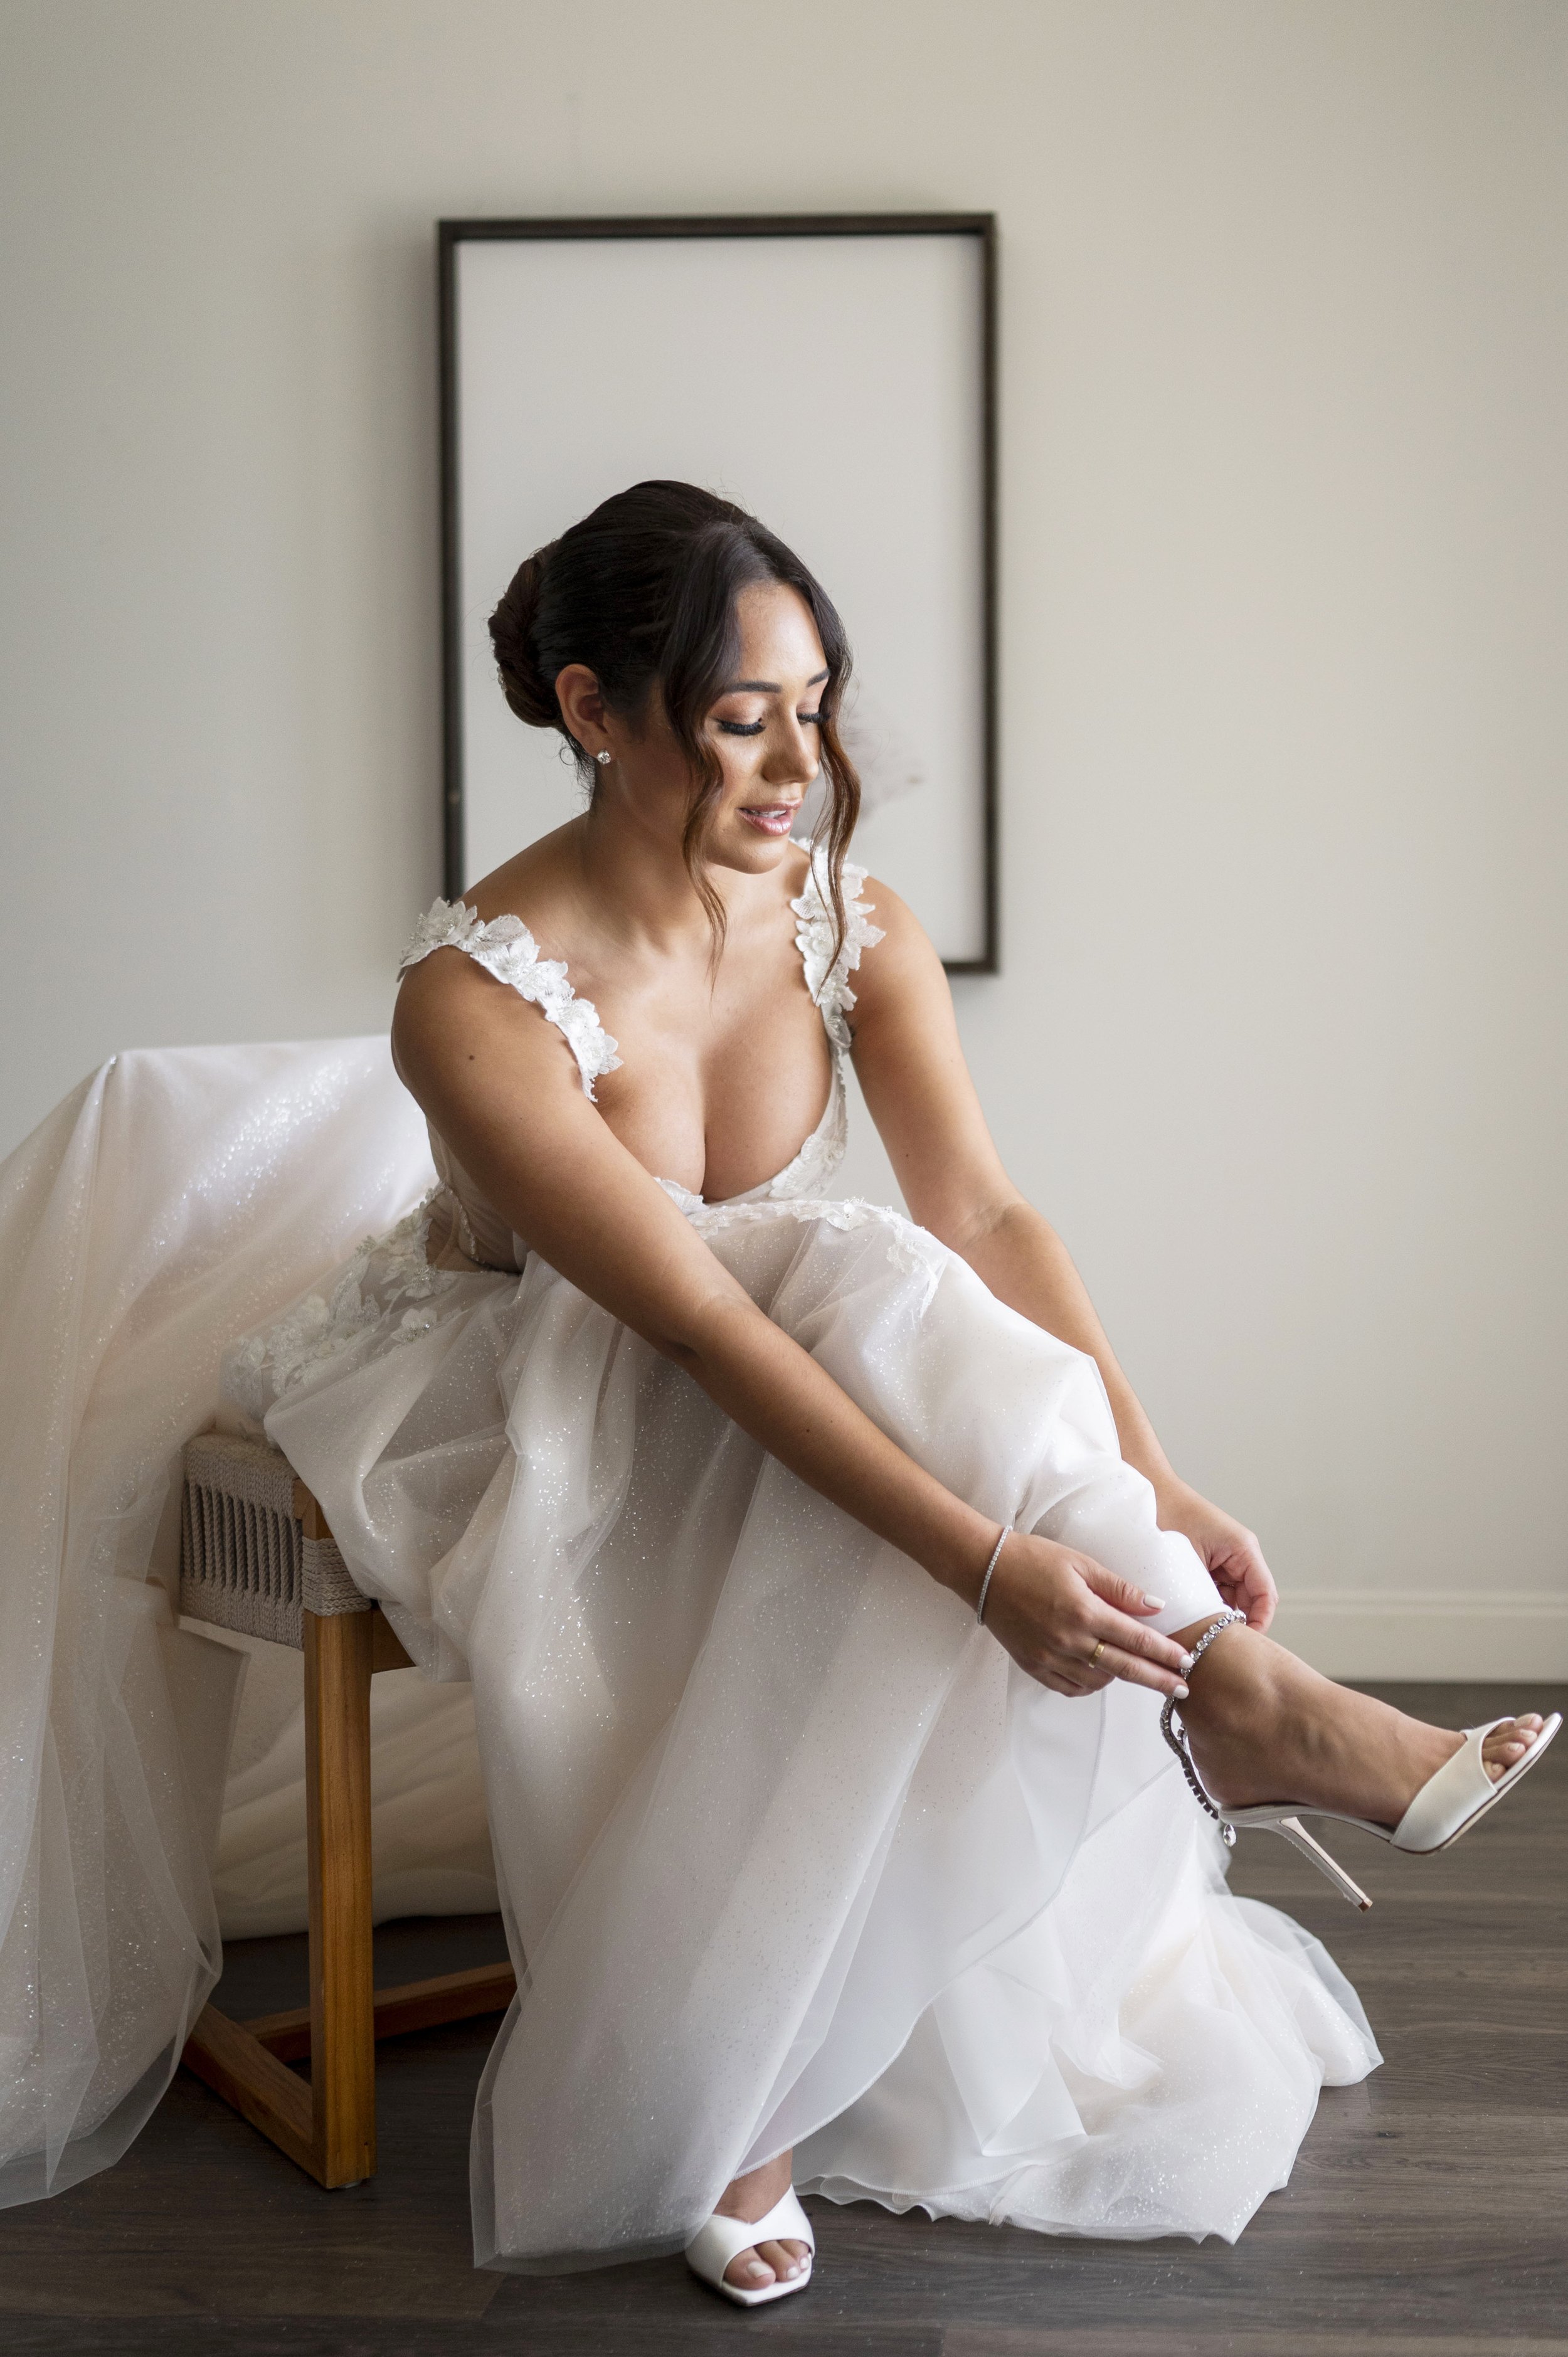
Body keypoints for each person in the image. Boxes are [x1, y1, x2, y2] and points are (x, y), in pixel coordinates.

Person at [0, 480, 1552, 2292]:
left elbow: (983, 1211)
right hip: (495, 1386)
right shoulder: (467, 1000)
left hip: (763, 1367)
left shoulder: (850, 927)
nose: (793, 765)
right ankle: (1209, 1718)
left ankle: (850, 1986)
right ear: (593, 712)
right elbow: (687, 1322)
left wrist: (1162, 1483)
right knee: (835, 1288)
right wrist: (981, 1564)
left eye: (812, 709)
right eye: (740, 719)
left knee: (879, 1275)